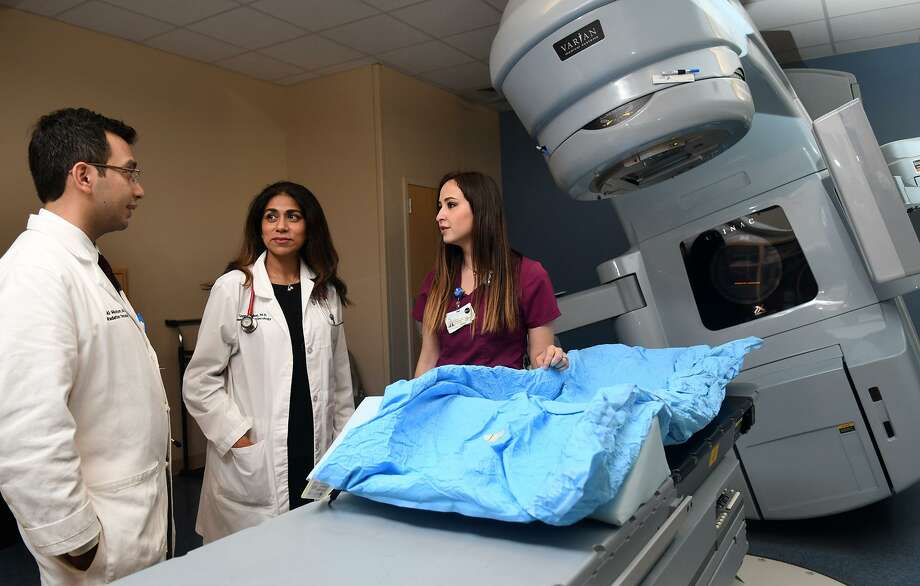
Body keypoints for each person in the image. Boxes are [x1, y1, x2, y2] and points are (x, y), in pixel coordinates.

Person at [0, 108, 170, 584]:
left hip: (128, 522)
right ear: (84, 176)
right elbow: (24, 427)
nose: (139, 189)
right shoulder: (35, 272)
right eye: (129, 172)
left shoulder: (85, 263)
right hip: (97, 550)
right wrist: (75, 541)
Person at [183, 181, 354, 543]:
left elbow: (341, 384)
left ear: (309, 226)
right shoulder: (233, 288)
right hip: (256, 453)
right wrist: (237, 436)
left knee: (313, 551)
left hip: (315, 445)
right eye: (271, 217)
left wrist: (344, 447)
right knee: (254, 564)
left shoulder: (327, 292)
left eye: (293, 217)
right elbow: (200, 382)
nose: (281, 226)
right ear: (259, 227)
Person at [413, 171, 567, 376]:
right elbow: (428, 359)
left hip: (501, 400)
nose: (439, 216)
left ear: (481, 210)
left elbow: (540, 362)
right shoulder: (436, 281)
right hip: (448, 400)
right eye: (439, 207)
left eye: (450, 205)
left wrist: (553, 359)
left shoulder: (528, 276)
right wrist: (415, 403)